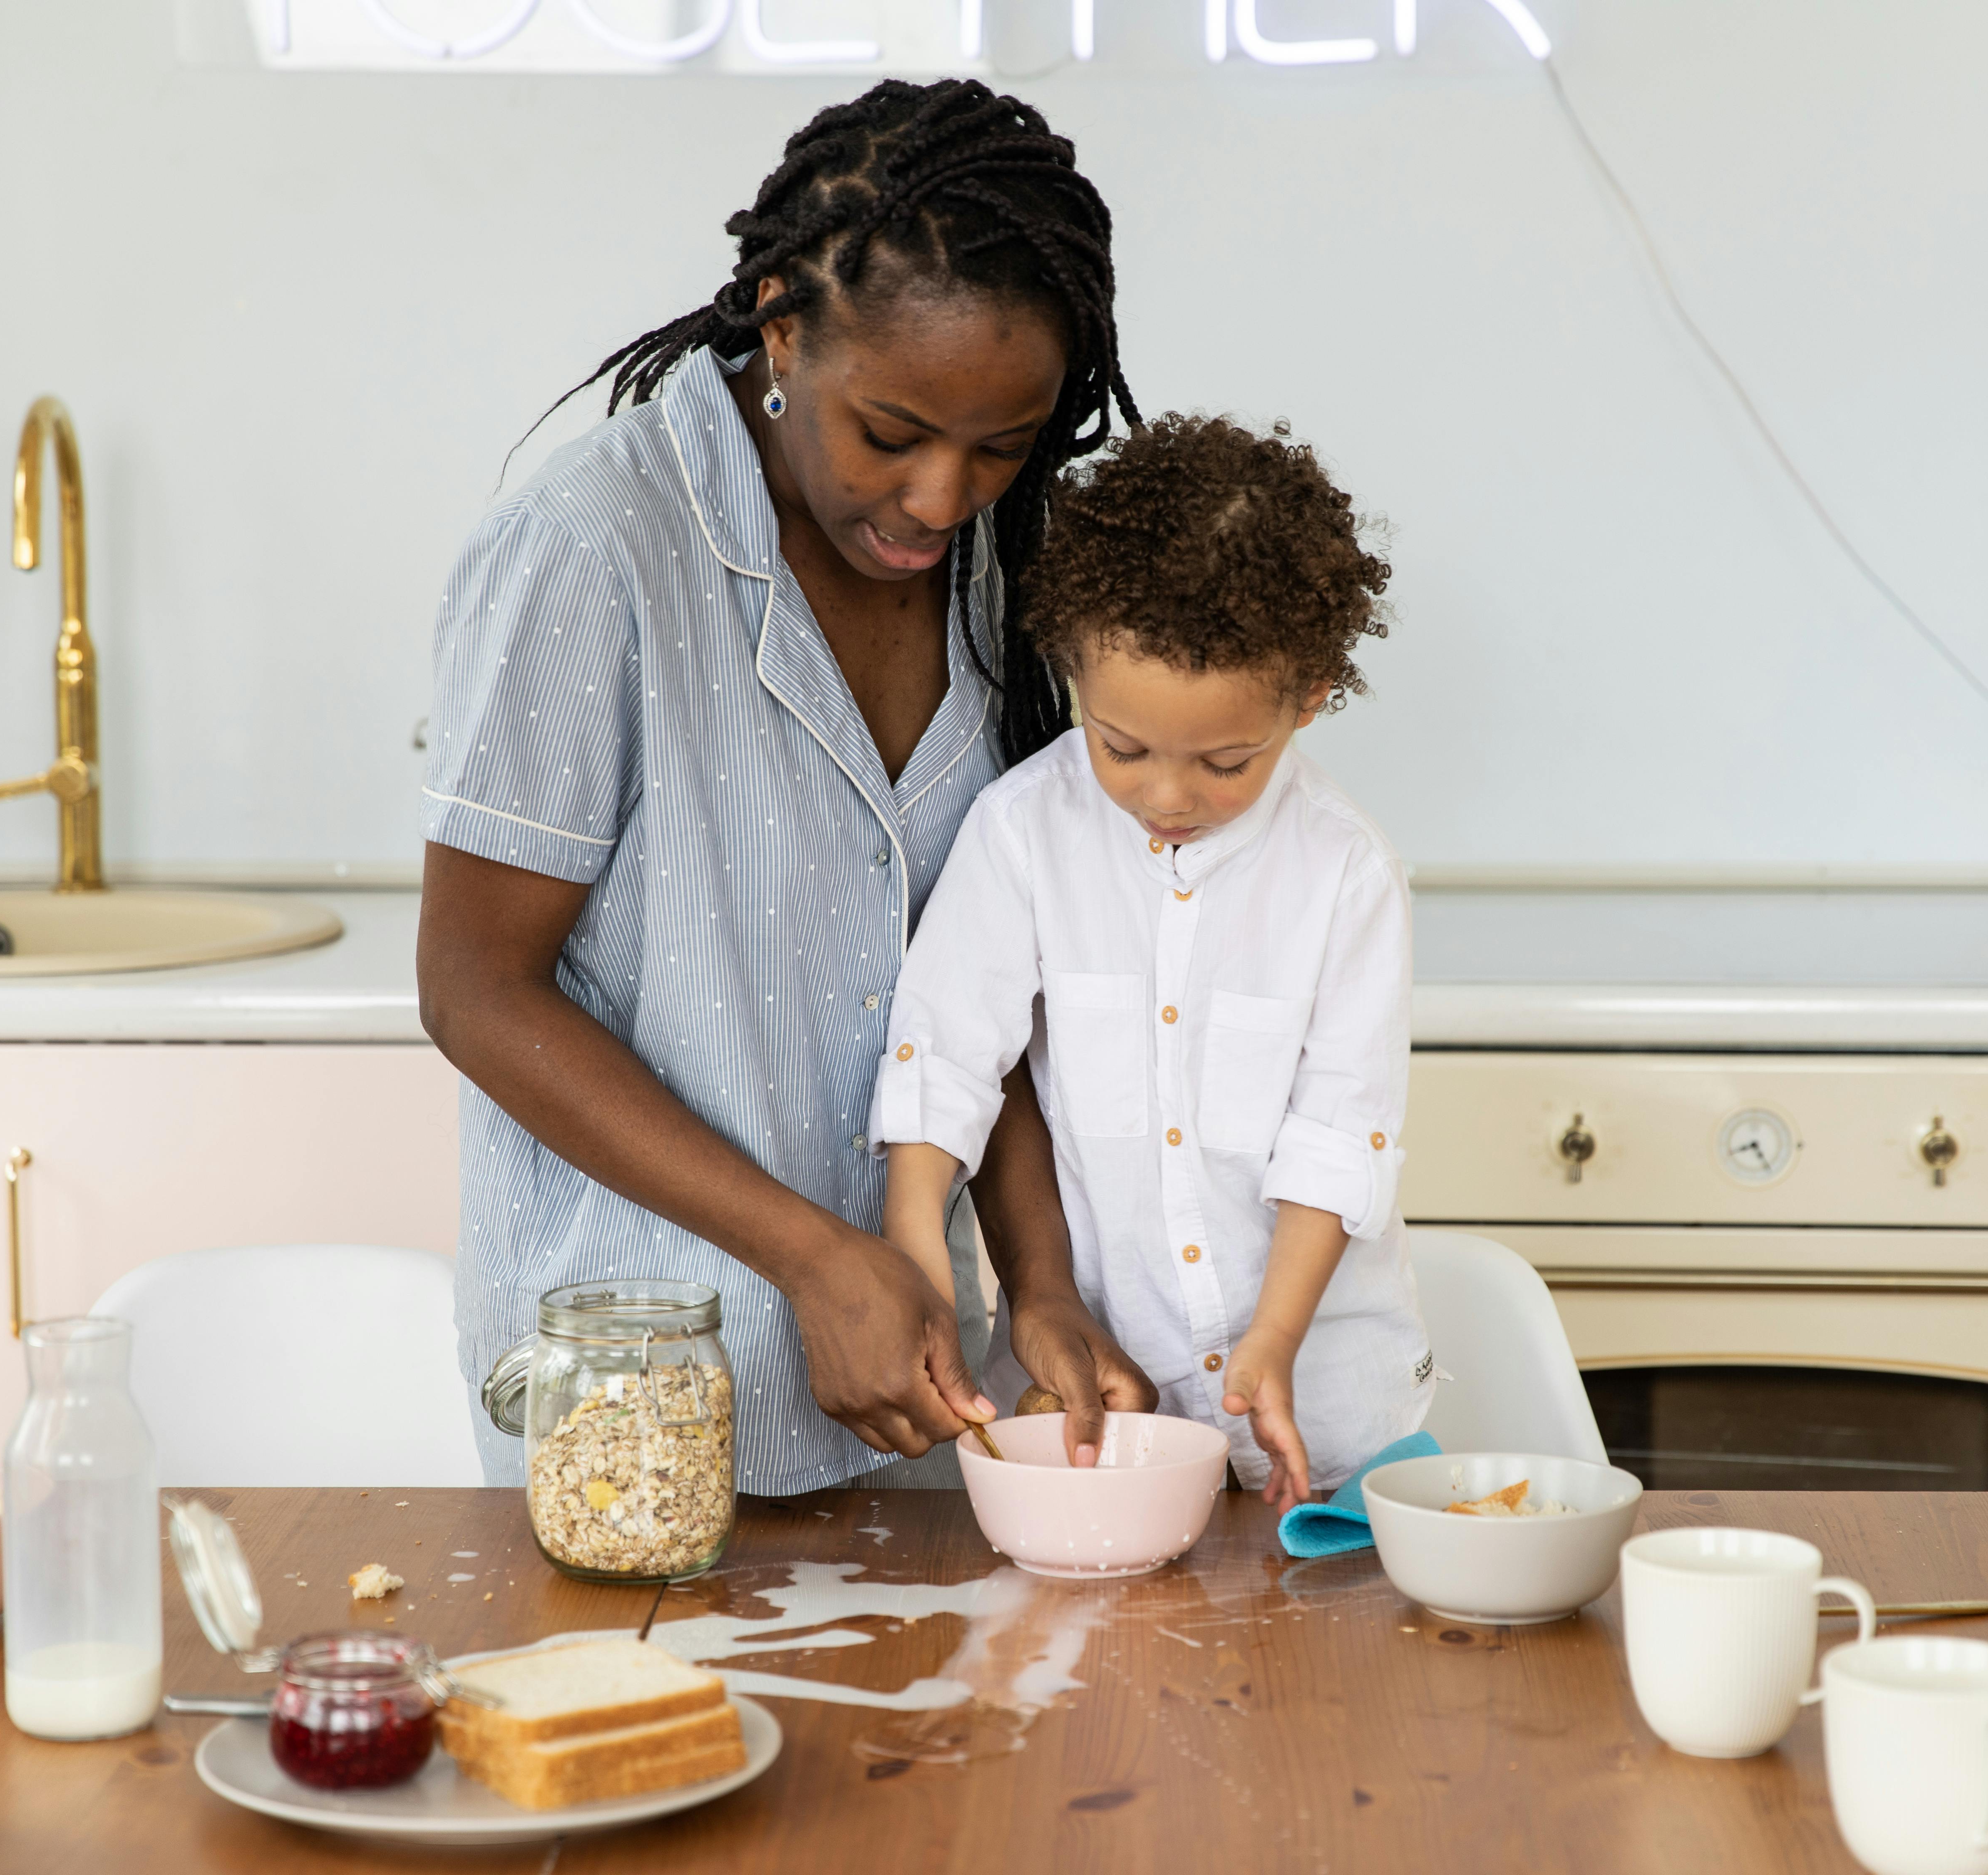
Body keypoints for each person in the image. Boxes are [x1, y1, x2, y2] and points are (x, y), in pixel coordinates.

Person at [418, 79, 1158, 1495]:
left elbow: (978, 974)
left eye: (1000, 446)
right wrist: (815, 1256)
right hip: (641, 1404)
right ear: (780, 326)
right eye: (891, 432)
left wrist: (1040, 1281)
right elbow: (474, 989)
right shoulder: (594, 552)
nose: (943, 498)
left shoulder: (994, 569)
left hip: (923, 1390)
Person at [871, 415, 1430, 1508]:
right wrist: (915, 1258)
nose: (1168, 799)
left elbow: (1336, 1140)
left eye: (1227, 762)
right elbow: (944, 1055)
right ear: (1074, 673)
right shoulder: (1022, 833)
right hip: (1108, 1417)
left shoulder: (1347, 873)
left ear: (1308, 700)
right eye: (1121, 746)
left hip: (1326, 1414)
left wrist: (1270, 1342)